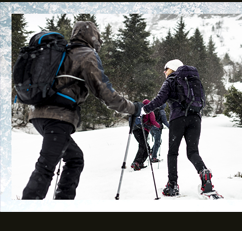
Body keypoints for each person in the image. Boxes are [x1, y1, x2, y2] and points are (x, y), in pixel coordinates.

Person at [22, 21, 142, 200]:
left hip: (39, 115)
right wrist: (132, 107)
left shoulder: (63, 52)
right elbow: (104, 92)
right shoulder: (86, 55)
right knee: (46, 168)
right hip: (58, 118)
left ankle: (62, 201)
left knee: (74, 158)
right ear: (92, 37)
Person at [141, 59, 214, 197]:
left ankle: (172, 185)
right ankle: (204, 174)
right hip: (195, 119)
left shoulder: (171, 80)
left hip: (178, 119)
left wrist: (145, 109)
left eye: (166, 68)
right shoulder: (194, 81)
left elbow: (159, 99)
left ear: (172, 68)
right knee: (192, 152)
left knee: (173, 152)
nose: (164, 71)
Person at [130, 99, 160, 170]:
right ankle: (137, 162)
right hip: (143, 130)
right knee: (144, 146)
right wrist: (159, 126)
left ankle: (139, 163)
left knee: (145, 146)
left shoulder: (139, 110)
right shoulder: (148, 109)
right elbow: (153, 121)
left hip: (135, 130)